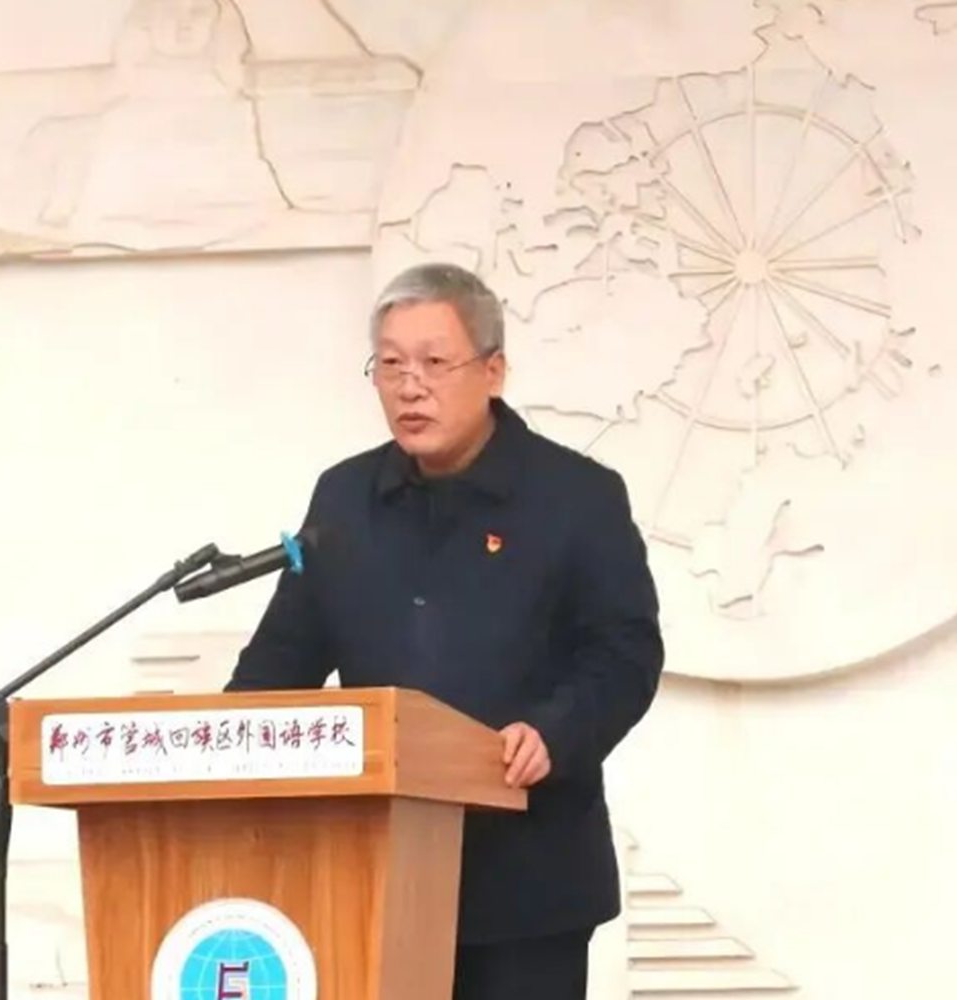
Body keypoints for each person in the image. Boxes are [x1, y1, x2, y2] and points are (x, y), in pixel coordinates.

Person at [225, 261, 664, 1000]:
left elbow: (624, 653)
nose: (409, 386)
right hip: (373, 874)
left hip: (527, 877)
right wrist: (212, 753)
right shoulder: (345, 497)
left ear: (493, 371)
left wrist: (553, 731)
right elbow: (279, 662)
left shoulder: (576, 496)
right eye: (390, 365)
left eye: (434, 363)